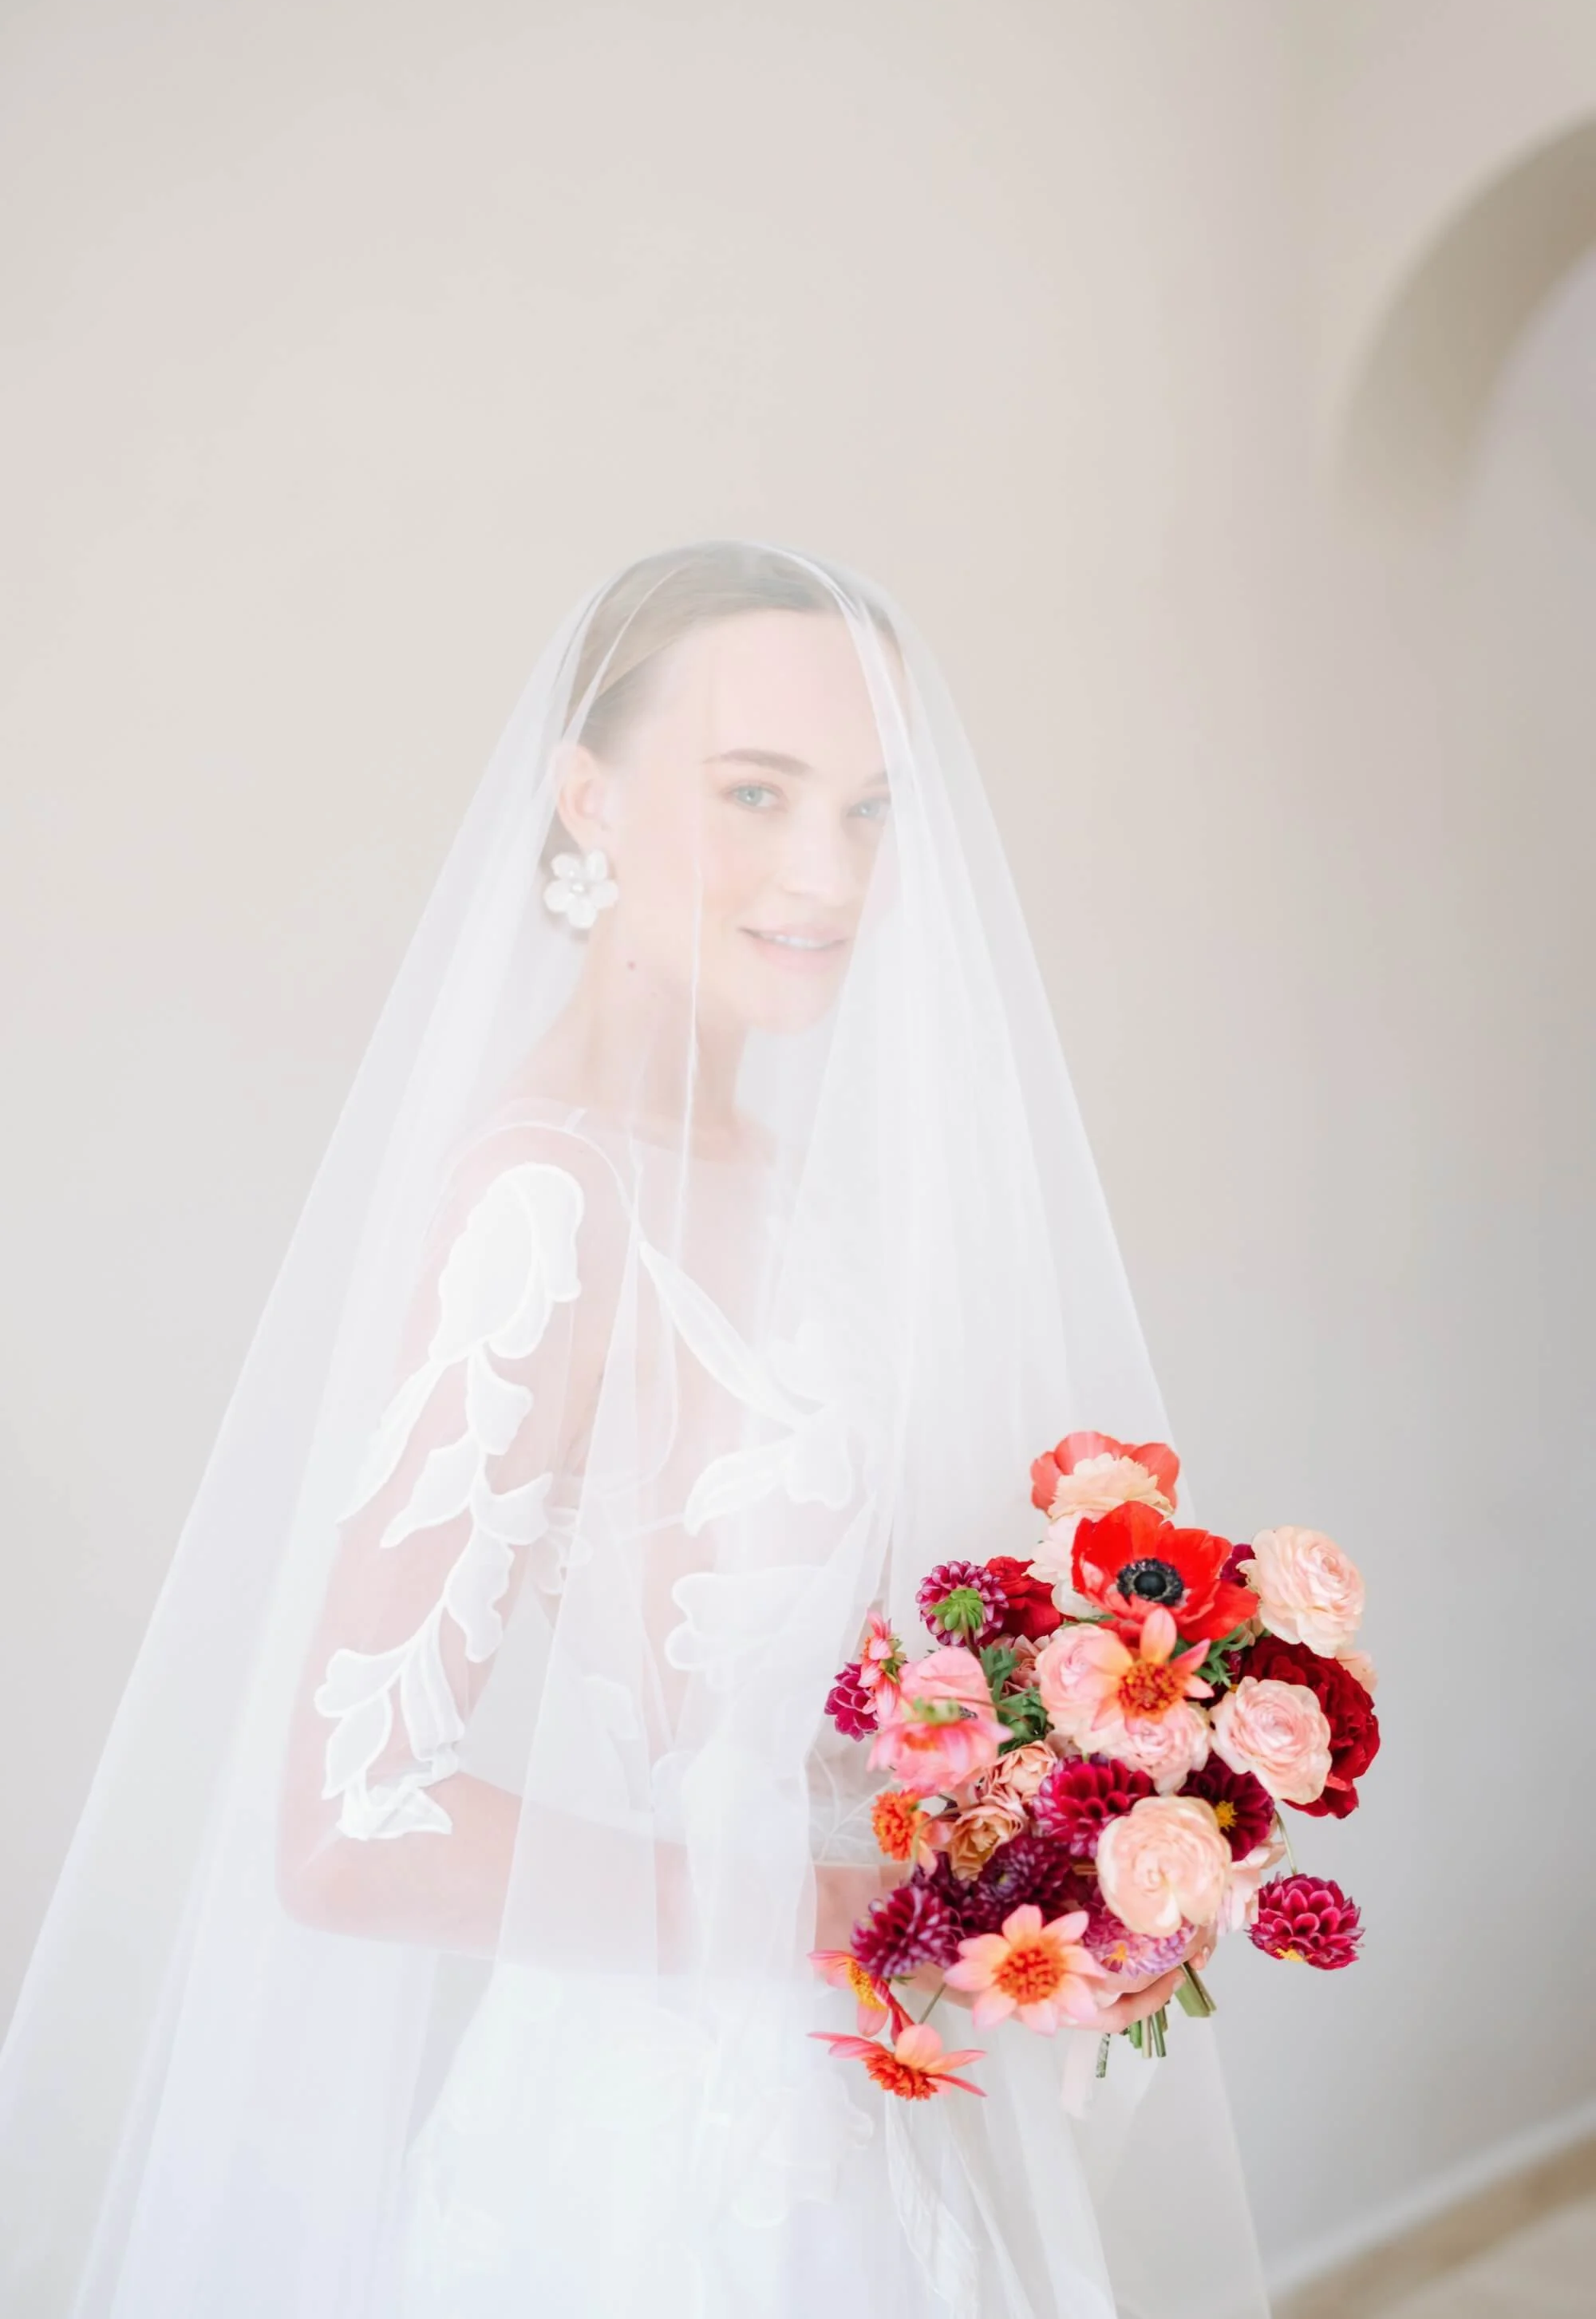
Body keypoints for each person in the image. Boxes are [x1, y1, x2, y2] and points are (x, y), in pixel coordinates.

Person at [0, 545, 1268, 2317]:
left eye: (868, 809)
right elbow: (350, 1828)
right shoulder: (546, 1204)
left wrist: (1069, 1841)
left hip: (869, 2095)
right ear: (587, 797)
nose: (827, 873)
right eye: (756, 794)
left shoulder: (797, 1191)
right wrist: (874, 1914)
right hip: (668, 2166)